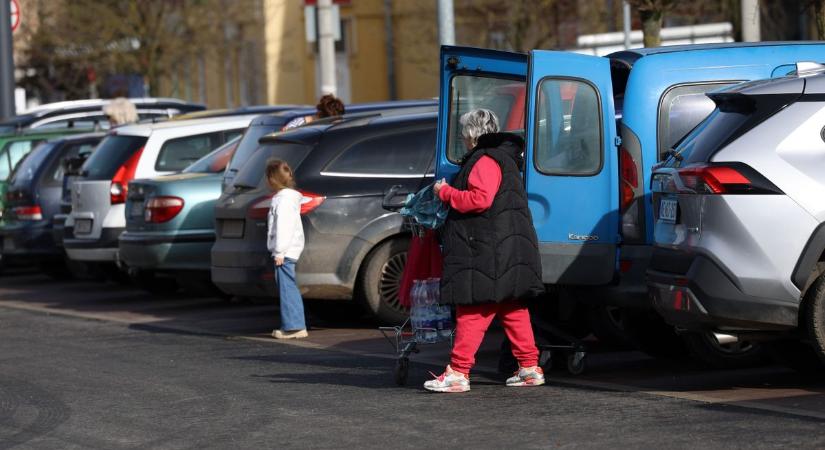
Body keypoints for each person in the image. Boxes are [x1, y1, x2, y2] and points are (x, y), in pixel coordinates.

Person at [424, 109, 545, 393]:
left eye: (463, 133)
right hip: (507, 245)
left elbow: (479, 200)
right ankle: (529, 368)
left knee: (473, 308)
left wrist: (445, 192)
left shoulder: (484, 159)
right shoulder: (504, 157)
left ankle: (458, 372)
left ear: (470, 134)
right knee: (513, 308)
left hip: (486, 248)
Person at [265, 158, 308, 339]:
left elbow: (283, 226)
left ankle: (294, 327)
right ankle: (294, 325)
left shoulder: (282, 200)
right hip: (288, 250)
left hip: (285, 252)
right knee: (288, 285)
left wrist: (279, 251)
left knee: (286, 287)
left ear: (272, 179)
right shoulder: (289, 198)